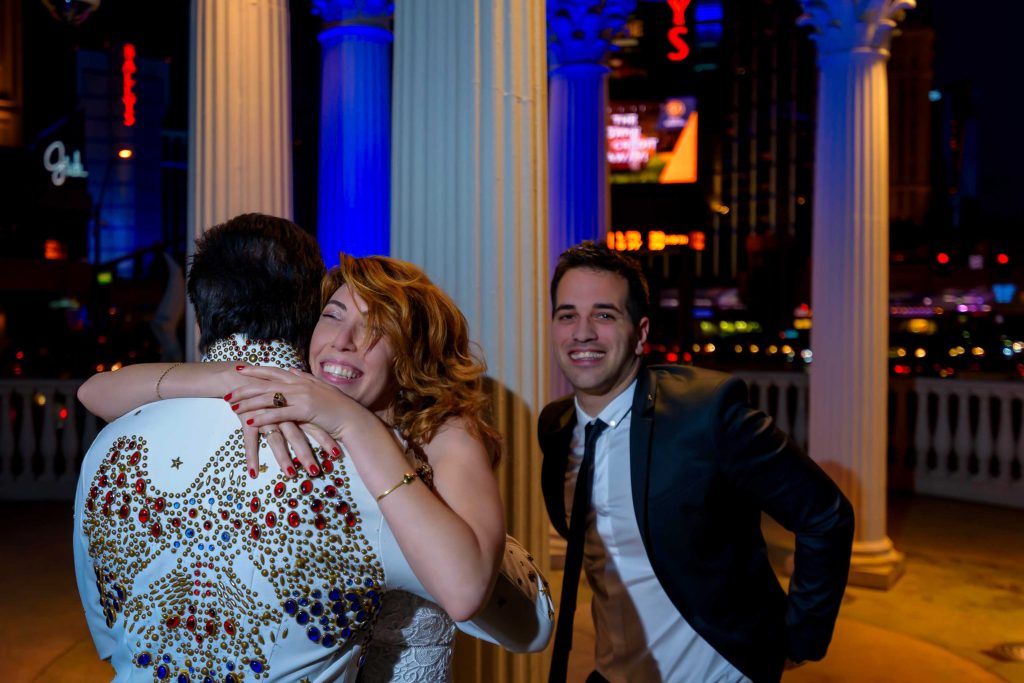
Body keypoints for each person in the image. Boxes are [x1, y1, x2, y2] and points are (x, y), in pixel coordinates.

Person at [74, 215, 551, 683]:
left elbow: (519, 617)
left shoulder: (420, 449)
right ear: (307, 324)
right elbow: (93, 390)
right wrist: (233, 378)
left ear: (411, 355)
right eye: (332, 315)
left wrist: (354, 424)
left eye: (377, 328)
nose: (343, 342)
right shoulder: (303, 431)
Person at [539, 241, 854, 683]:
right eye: (567, 314)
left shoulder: (705, 414)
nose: (582, 331)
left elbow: (826, 515)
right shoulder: (556, 428)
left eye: (605, 314)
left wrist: (800, 639)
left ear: (641, 332)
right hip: (613, 672)